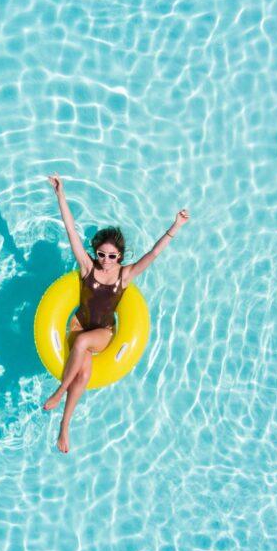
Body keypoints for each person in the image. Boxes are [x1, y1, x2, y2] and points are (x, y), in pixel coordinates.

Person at [41, 172, 189, 453]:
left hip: (102, 334)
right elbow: (71, 231)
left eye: (112, 256)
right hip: (78, 325)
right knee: (83, 375)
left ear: (120, 257)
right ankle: (65, 426)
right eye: (102, 254)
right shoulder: (87, 268)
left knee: (85, 343)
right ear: (95, 253)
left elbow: (154, 254)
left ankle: (59, 392)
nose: (106, 260)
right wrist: (60, 194)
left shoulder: (125, 275)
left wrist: (176, 226)